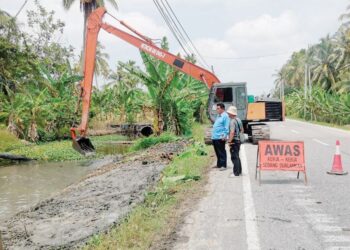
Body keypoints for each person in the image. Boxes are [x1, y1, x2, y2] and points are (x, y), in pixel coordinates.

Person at [211, 103, 230, 170]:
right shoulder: (218, 116)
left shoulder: (225, 116)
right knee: (217, 151)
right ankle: (219, 164)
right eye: (217, 108)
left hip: (220, 137)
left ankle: (223, 165)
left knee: (221, 151)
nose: (217, 109)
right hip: (215, 137)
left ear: (222, 109)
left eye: (218, 108)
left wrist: (225, 135)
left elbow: (226, 127)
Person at [227, 106, 243, 176]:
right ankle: (239, 171)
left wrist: (229, 141)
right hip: (238, 140)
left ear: (231, 113)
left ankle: (236, 173)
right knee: (237, 156)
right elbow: (242, 130)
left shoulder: (232, 122)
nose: (228, 114)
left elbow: (232, 132)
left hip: (234, 141)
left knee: (234, 157)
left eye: (229, 113)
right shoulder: (238, 120)